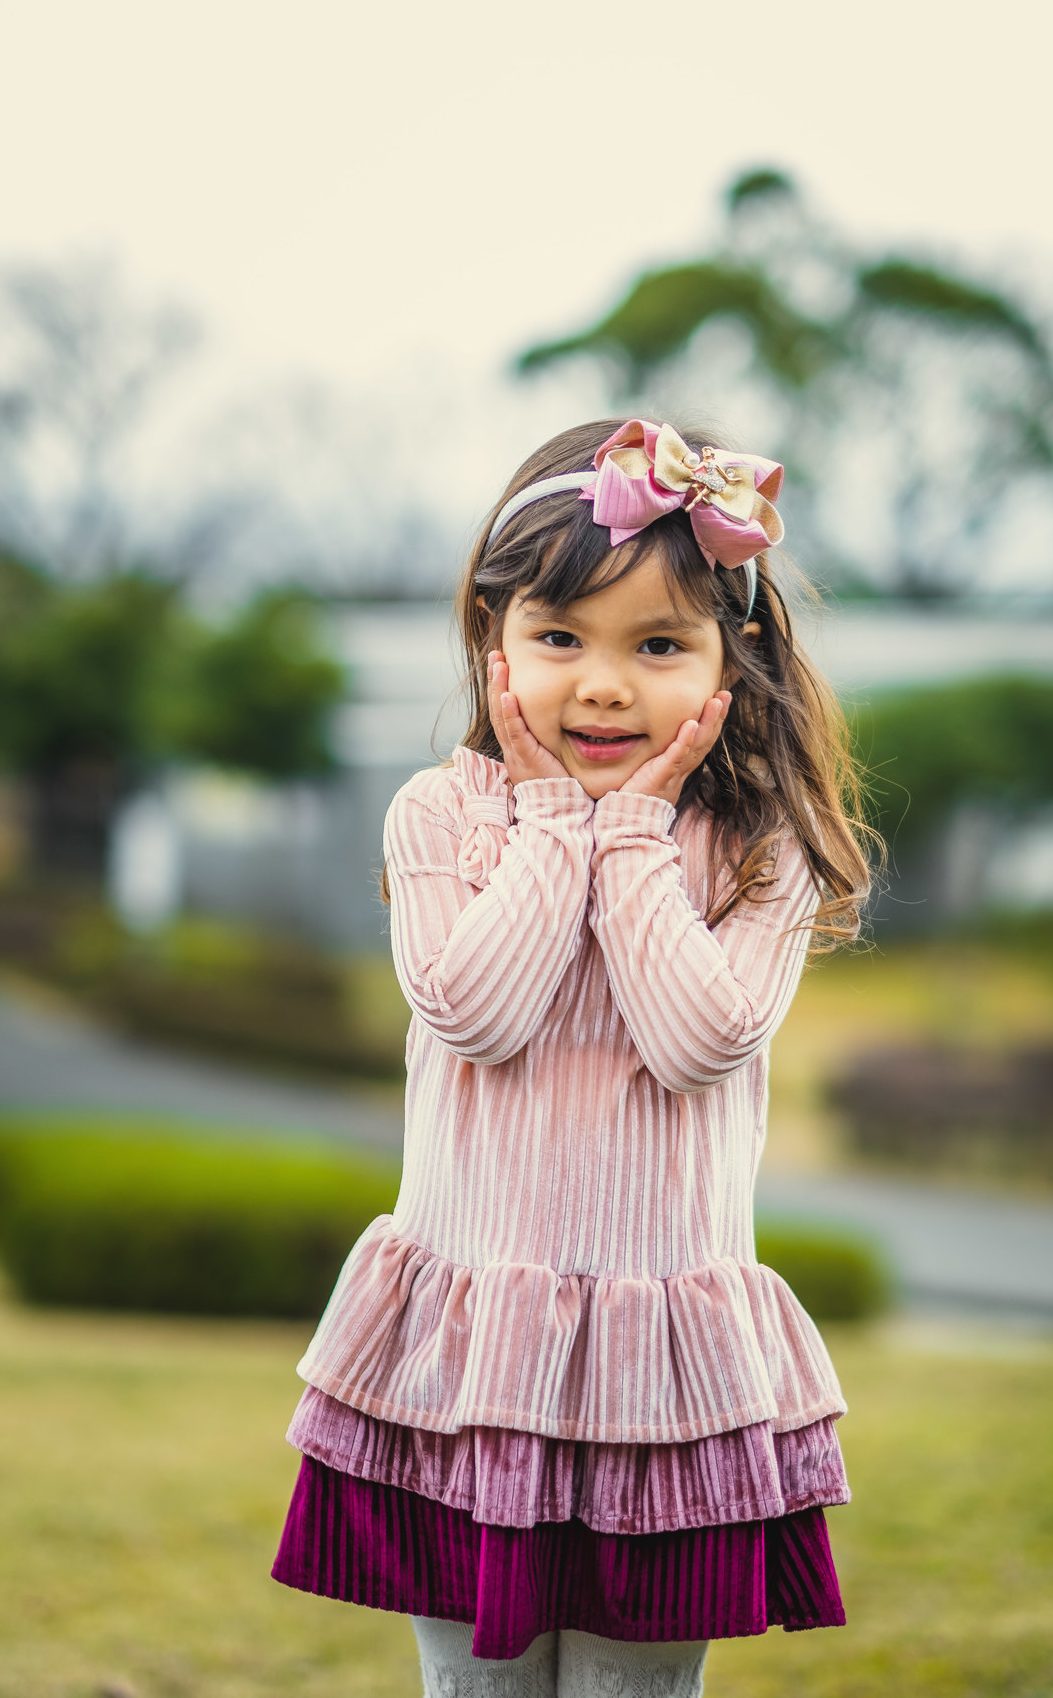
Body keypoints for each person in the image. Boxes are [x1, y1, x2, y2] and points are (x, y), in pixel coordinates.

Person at [272, 417, 876, 1696]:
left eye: (658, 645)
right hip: (474, 1356)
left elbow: (701, 1039)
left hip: (662, 1368)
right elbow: (472, 1011)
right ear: (496, 639)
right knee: (472, 1686)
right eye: (560, 638)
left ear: (732, 658)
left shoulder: (762, 844)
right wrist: (557, 820)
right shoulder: (444, 813)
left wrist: (641, 831)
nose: (603, 685)